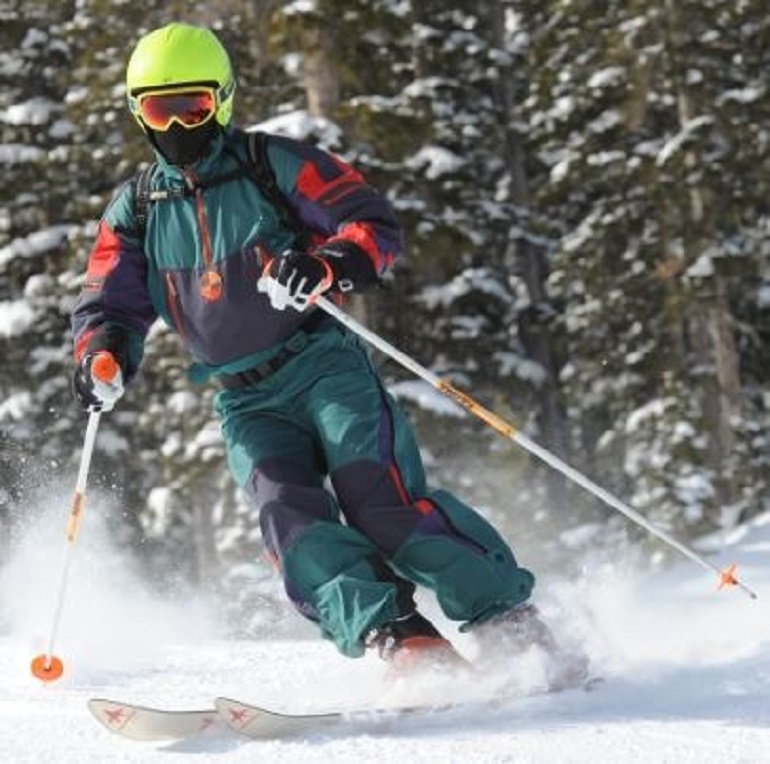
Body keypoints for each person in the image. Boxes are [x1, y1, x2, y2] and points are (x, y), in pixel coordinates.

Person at [71, 22, 579, 679]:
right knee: (290, 520)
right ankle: (403, 639)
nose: (175, 126)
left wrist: (327, 264)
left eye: (191, 107)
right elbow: (108, 302)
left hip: (321, 364)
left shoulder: (271, 164)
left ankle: (510, 624)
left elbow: (370, 222)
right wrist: (103, 353)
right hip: (245, 398)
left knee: (381, 500)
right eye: (156, 109)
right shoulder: (137, 209)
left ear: (220, 100)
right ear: (135, 111)